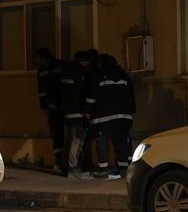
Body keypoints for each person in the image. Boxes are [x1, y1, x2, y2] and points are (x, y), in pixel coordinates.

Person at [87, 52, 135, 178]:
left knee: (102, 142)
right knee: (122, 143)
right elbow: (131, 95)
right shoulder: (123, 76)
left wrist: (88, 112)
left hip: (103, 118)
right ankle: (123, 169)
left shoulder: (98, 76)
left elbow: (91, 98)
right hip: (124, 117)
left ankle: (103, 169)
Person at [57, 49, 94, 177]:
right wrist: (87, 110)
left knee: (69, 140)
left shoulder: (65, 71)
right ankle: (73, 167)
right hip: (78, 112)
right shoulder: (82, 72)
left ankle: (65, 167)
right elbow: (85, 92)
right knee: (77, 140)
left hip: (67, 111)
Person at [35, 47, 66, 174]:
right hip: (52, 107)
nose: (35, 61)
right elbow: (41, 91)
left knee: (65, 135)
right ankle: (59, 162)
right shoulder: (42, 70)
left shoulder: (59, 66)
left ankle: (67, 162)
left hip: (64, 107)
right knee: (57, 135)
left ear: (43, 57)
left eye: (36, 58)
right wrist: (44, 107)